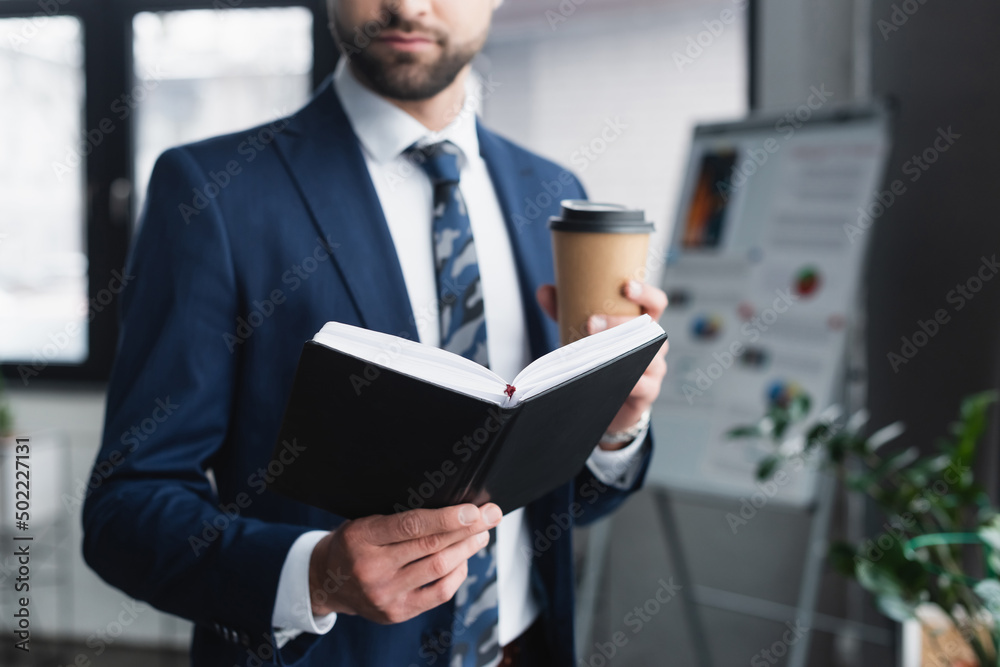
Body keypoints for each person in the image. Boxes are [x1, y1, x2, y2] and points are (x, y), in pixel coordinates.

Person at [82, 0, 669, 665]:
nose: (408, 5)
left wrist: (614, 426)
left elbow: (562, 507)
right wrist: (316, 575)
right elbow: (123, 511)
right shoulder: (215, 192)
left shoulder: (552, 191)